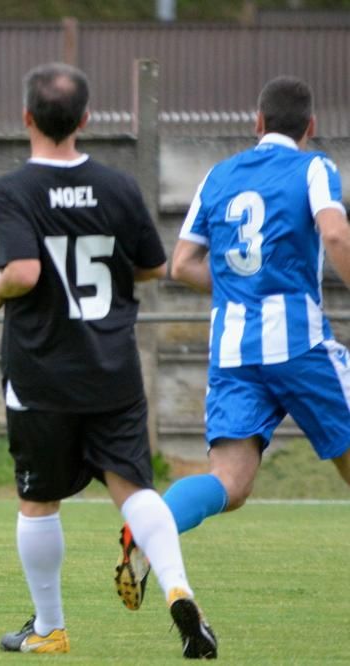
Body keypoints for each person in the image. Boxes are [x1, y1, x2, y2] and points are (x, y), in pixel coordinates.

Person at [0, 63, 216, 659]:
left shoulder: (13, 190)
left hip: (41, 373)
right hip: (112, 368)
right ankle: (178, 587)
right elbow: (150, 265)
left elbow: (25, 272)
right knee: (133, 487)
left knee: (38, 500)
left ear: (27, 118)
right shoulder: (118, 187)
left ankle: (50, 629)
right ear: (86, 120)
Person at [116, 76, 350, 613]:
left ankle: (150, 530)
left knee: (230, 481)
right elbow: (334, 234)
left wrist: (246, 289)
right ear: (310, 128)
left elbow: (181, 265)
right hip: (297, 342)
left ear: (258, 123)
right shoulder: (314, 167)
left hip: (233, 348)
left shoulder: (218, 176)